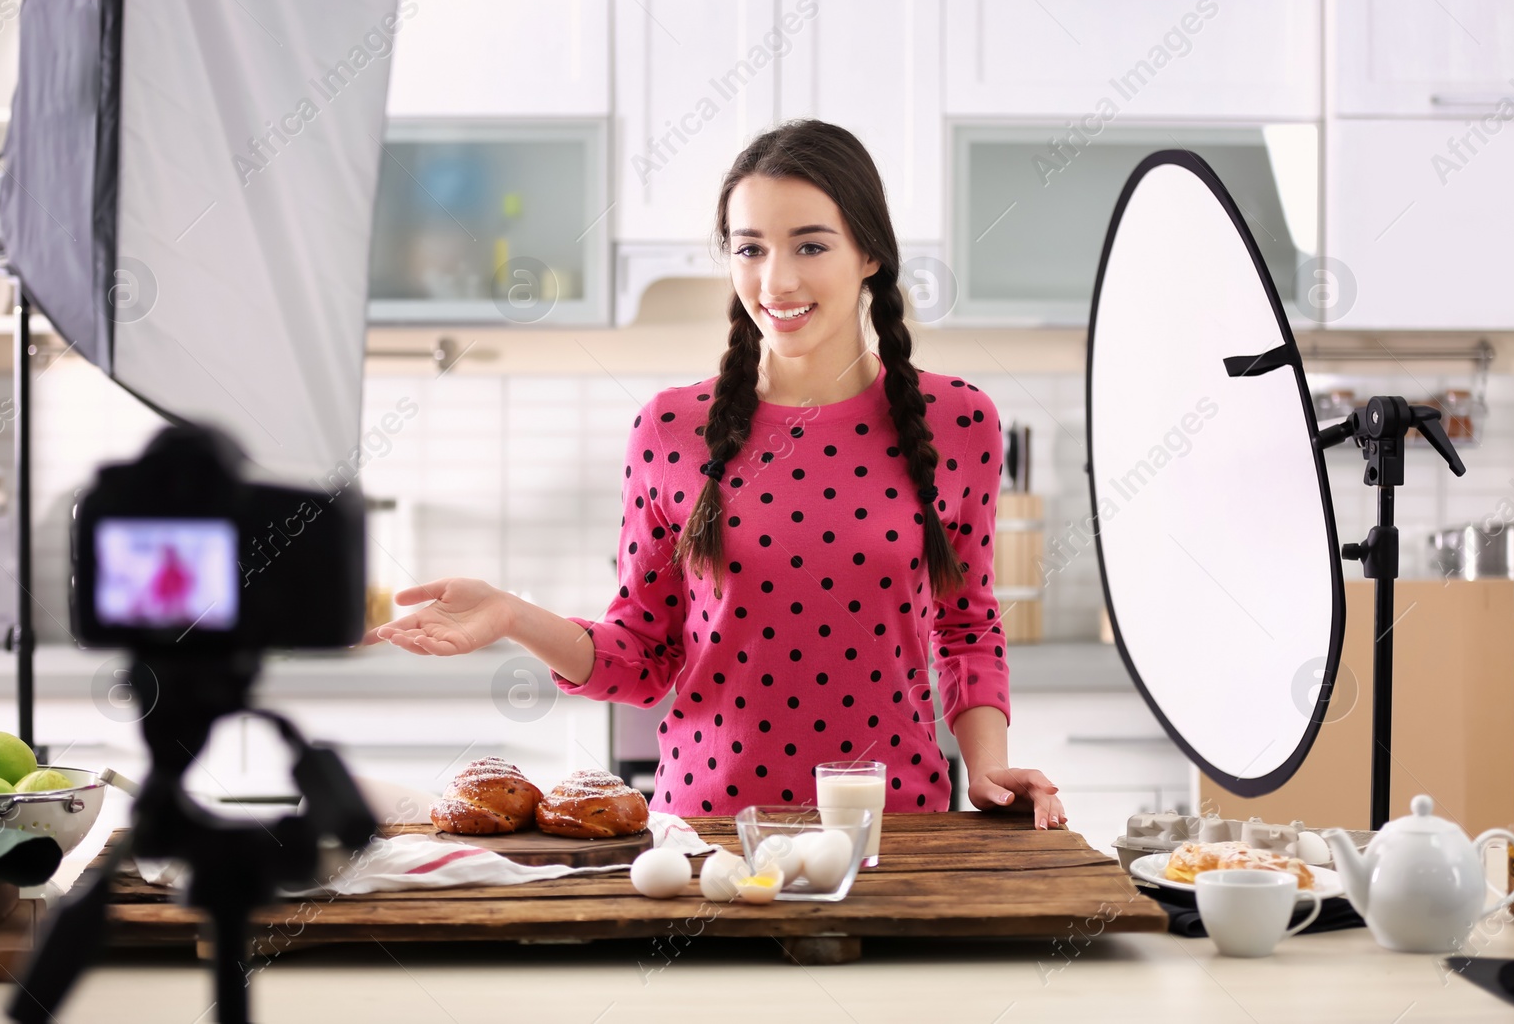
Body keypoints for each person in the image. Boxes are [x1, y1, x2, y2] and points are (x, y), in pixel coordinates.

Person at [366, 119, 1065, 831]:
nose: (777, 279)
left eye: (811, 245)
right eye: (750, 248)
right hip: (707, 836)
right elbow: (641, 656)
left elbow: (967, 624)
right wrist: (514, 615)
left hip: (895, 831)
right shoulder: (669, 430)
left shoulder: (959, 422)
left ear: (870, 255)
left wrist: (985, 767)